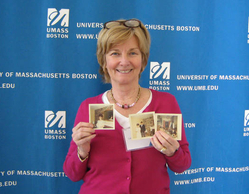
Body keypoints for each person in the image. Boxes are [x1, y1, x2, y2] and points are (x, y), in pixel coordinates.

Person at [63, 18, 191, 194]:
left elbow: (182, 165)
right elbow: (72, 174)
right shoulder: (89, 107)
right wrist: (82, 150)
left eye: (132, 53)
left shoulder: (165, 103)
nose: (124, 61)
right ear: (104, 60)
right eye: (115, 53)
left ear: (143, 59)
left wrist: (173, 151)